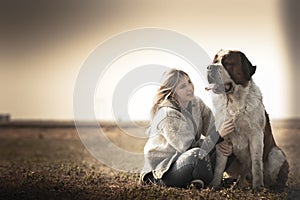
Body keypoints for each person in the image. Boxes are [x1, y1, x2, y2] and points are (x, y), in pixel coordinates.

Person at [140, 68, 235, 188]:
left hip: (189, 159)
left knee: (230, 147)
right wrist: (217, 137)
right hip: (164, 171)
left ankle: (200, 181)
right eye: (182, 86)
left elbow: (212, 128)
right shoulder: (167, 114)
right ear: (172, 93)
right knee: (197, 155)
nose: (189, 88)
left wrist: (221, 142)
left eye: (189, 82)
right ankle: (212, 183)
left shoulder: (197, 103)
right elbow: (187, 148)